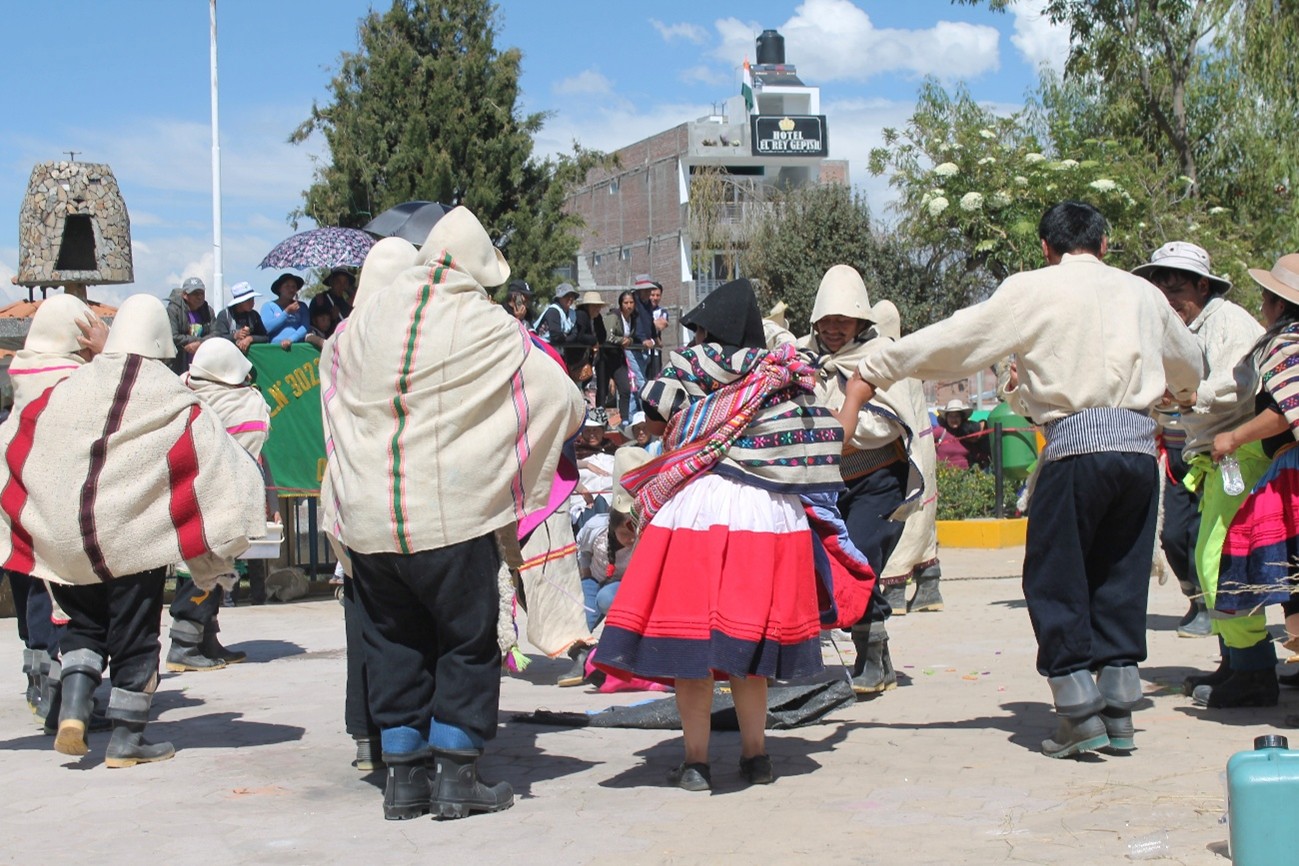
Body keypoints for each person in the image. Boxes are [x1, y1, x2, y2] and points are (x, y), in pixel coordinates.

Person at [855, 201, 1203, 758]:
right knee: (1120, 574)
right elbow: (1189, 364)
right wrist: (1181, 392)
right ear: (1104, 245)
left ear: (1046, 248)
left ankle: (1077, 709)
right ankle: (1118, 708)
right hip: (1139, 454)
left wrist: (876, 368)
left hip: (1076, 450)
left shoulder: (1032, 289)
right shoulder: (1143, 294)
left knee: (1056, 576)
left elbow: (956, 339)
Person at [320, 206, 584, 819]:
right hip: (451, 518)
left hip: (370, 521)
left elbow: (330, 374)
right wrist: (490, 451)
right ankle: (457, 778)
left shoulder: (367, 317)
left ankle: (403, 780)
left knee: (393, 642)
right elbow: (561, 397)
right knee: (466, 642)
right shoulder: (490, 325)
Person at [595, 278, 844, 791]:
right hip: (766, 513)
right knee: (748, 651)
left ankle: (696, 763)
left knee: (692, 647)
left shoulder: (692, 365)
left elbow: (656, 414)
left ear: (709, 330)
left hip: (695, 509)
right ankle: (757, 756)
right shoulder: (781, 373)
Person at [0, 294, 266, 768]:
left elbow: (23, 438)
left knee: (84, 626)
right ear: (162, 339)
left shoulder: (71, 384)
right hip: (135, 543)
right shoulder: (167, 392)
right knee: (134, 634)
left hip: (73, 541)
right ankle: (128, 740)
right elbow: (218, 457)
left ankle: (74, 712)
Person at [1132, 242, 1264, 641]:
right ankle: (1235, 653)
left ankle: (1251, 660)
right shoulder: (1174, 332)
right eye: (1161, 292)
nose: (1169, 301)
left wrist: (1190, 396)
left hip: (1242, 451)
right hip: (1204, 455)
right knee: (1203, 554)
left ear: (1203, 287)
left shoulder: (1230, 323)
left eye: (1176, 290)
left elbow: (1238, 382)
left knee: (1219, 558)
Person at [803, 265, 922, 695]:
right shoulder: (802, 358)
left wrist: (839, 422)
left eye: (843, 321)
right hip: (827, 485)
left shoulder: (883, 356)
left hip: (879, 480)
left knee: (858, 558)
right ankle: (877, 658)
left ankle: (870, 655)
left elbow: (885, 424)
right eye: (827, 321)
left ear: (860, 321)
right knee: (830, 564)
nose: (834, 330)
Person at [3, 294, 108, 727]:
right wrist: (107, 353)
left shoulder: (23, 372)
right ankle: (67, 701)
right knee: (69, 609)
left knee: (34, 604)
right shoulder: (77, 380)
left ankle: (42, 688)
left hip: (17, 510)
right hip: (60, 517)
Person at [1205, 254, 1299, 707]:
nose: (1262, 307)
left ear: (1279, 305)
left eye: (1266, 299)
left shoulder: (1286, 345)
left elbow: (1285, 412)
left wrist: (1234, 437)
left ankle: (1253, 670)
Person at [166, 339, 273, 672]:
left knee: (216, 568)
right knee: (202, 570)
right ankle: (184, 645)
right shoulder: (233, 401)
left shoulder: (182, 394)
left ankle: (207, 639)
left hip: (198, 499)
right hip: (206, 501)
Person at [871, 300, 943, 615]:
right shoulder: (909, 360)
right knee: (924, 518)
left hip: (904, 450)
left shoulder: (886, 362)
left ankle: (895, 590)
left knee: (902, 517)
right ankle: (929, 585)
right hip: (925, 449)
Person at [166, 276, 215, 373]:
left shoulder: (208, 311)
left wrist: (200, 343)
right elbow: (174, 336)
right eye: (195, 293)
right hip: (178, 365)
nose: (200, 297)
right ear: (185, 295)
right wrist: (197, 341)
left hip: (202, 366)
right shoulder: (173, 310)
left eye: (202, 293)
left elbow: (216, 333)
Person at [606, 290, 640, 419]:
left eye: (631, 302)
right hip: (606, 357)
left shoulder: (633, 318)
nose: (629, 306)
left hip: (619, 358)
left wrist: (629, 340)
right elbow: (608, 337)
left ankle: (624, 420)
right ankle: (601, 422)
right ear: (621, 304)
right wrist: (621, 340)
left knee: (625, 390)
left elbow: (632, 337)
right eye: (626, 303)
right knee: (605, 392)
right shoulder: (613, 316)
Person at [211, 281, 270, 353]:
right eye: (248, 300)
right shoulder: (224, 315)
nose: (252, 303)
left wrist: (250, 338)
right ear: (239, 302)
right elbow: (218, 338)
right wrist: (235, 336)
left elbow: (265, 337)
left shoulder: (254, 315)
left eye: (252, 299)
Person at [934, 398, 990, 470]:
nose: (954, 419)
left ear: (961, 418)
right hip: (945, 474)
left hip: (966, 474)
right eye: (951, 416)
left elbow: (976, 453)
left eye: (957, 416)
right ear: (946, 418)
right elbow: (924, 442)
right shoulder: (940, 432)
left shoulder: (967, 433)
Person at [261, 273, 309, 349]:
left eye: (294, 287)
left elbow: (305, 327)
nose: (291, 289)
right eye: (287, 286)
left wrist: (291, 339)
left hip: (298, 347)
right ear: (279, 289)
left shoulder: (301, 306)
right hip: (275, 348)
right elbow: (266, 328)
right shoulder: (268, 306)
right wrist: (286, 312)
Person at [308, 266, 356, 339]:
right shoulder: (320, 300)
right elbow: (311, 325)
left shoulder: (347, 304)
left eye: (345, 282)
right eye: (338, 281)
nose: (341, 285)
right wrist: (331, 318)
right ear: (331, 282)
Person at [535, 283, 579, 350]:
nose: (570, 298)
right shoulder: (553, 311)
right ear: (559, 298)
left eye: (572, 296)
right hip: (541, 346)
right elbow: (556, 336)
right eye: (566, 295)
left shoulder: (572, 313)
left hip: (557, 347)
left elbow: (574, 334)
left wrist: (564, 337)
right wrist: (566, 337)